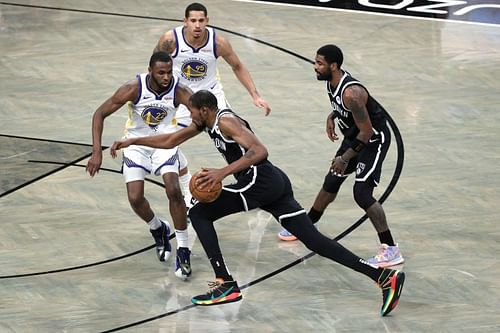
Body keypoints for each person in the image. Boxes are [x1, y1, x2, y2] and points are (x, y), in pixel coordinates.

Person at [110, 90, 405, 317]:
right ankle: (382, 277)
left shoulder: (225, 120)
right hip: (273, 183)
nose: (190, 116)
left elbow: (260, 150)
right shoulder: (207, 124)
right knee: (313, 240)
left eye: (191, 111)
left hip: (258, 182)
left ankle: (224, 283)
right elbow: (171, 138)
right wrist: (132, 142)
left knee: (198, 213)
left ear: (203, 110)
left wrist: (221, 173)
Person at [277, 44, 404, 268]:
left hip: (373, 141)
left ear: (333, 66)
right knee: (331, 181)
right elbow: (345, 109)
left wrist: (344, 157)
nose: (315, 67)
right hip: (354, 136)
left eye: (319, 63)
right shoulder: (331, 82)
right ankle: (308, 225)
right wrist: (333, 115)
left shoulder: (352, 93)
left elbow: (367, 132)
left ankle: (390, 248)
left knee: (362, 194)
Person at [86, 52, 193, 280]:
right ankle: (158, 228)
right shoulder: (134, 88)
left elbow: (201, 114)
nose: (166, 77)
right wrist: (97, 152)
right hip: (135, 145)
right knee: (135, 198)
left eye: (169, 72)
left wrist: (183, 134)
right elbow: (99, 114)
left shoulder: (180, 90)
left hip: (165, 144)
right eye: (161, 72)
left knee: (173, 190)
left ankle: (183, 249)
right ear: (150, 71)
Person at [154, 2, 271, 131]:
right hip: (181, 95)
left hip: (211, 94)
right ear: (185, 21)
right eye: (193, 20)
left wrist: (255, 96)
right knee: (163, 138)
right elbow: (155, 67)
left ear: (207, 21)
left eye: (201, 20)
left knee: (235, 131)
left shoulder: (218, 43)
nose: (197, 25)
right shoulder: (170, 40)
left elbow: (238, 66)